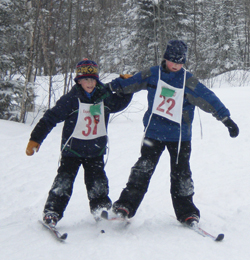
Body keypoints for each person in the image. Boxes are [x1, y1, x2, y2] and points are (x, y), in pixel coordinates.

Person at [107, 40, 239, 226]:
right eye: (172, 61)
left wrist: (226, 119)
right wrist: (112, 86)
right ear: (165, 59)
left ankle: (187, 212)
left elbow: (207, 98)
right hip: (154, 133)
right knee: (142, 169)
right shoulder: (153, 74)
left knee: (181, 174)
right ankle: (125, 205)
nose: (176, 65)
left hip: (179, 137)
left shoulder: (188, 80)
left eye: (180, 62)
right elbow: (133, 81)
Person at [26, 58, 133, 226]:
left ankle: (101, 209)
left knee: (97, 182)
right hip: (72, 150)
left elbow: (119, 104)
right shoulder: (71, 99)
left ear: (96, 80)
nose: (89, 83)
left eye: (92, 79)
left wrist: (128, 89)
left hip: (95, 150)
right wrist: (35, 139)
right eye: (85, 79)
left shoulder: (103, 95)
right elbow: (50, 118)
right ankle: (52, 212)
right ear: (79, 80)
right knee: (64, 181)